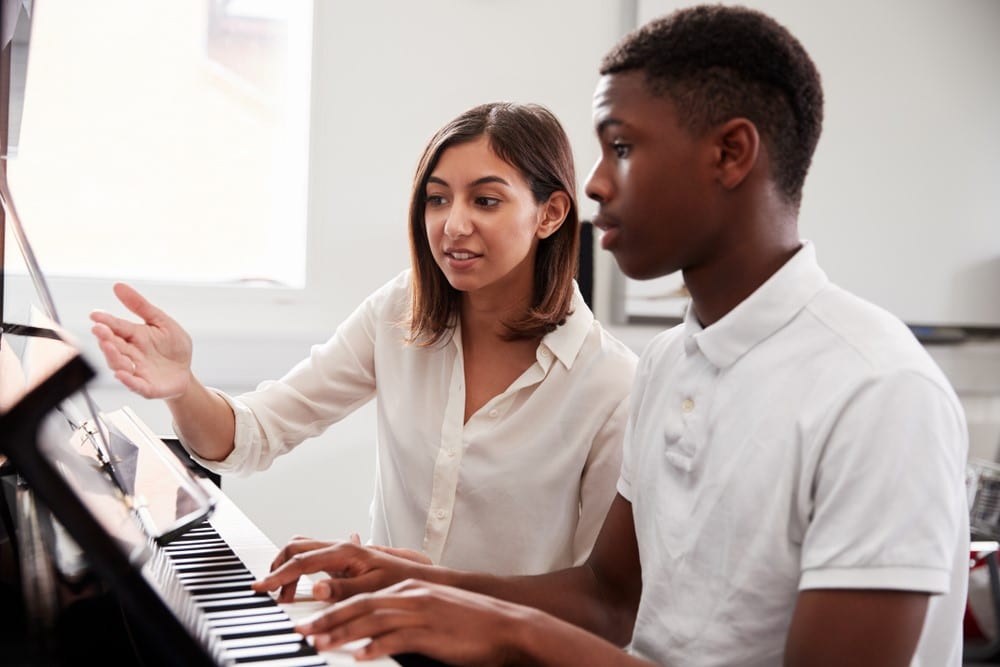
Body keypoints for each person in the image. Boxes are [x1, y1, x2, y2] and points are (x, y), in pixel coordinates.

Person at [249, 5, 971, 666]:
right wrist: (413, 580)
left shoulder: (878, 391)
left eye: (620, 147)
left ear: (730, 154)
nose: (593, 184)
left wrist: (505, 627)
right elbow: (607, 596)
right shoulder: (670, 362)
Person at [89, 101, 638, 576]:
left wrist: (430, 598)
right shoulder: (400, 311)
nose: (452, 225)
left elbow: (596, 600)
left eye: (486, 201)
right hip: (382, 639)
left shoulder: (612, 384)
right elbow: (254, 436)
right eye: (437, 198)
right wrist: (183, 387)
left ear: (551, 213)